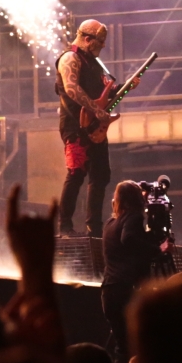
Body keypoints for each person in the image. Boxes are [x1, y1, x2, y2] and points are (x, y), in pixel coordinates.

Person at [55, 19, 139, 236]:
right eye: (100, 41)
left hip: (96, 126)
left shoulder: (94, 63)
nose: (103, 46)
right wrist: (97, 110)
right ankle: (65, 226)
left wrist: (124, 87)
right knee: (76, 174)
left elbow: (105, 93)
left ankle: (94, 227)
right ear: (87, 39)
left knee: (100, 175)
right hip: (75, 125)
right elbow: (71, 88)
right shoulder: (70, 58)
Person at [101, 181, 166, 363]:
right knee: (135, 346)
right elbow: (128, 239)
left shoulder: (110, 223)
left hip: (109, 291)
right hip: (125, 289)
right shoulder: (133, 217)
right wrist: (158, 249)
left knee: (122, 348)